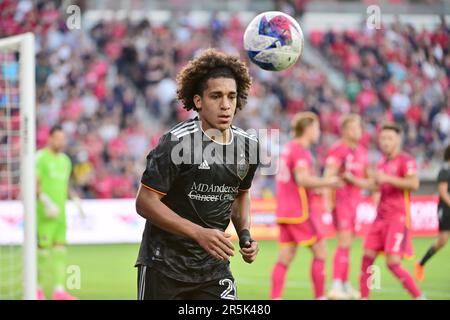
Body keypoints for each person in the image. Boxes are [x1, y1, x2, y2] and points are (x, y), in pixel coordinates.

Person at [135, 49, 260, 300]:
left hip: (214, 268)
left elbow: (239, 196)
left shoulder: (249, 147)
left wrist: (245, 235)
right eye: (216, 96)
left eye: (231, 96)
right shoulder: (176, 143)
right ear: (198, 101)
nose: (226, 105)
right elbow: (145, 202)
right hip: (164, 266)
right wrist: (198, 233)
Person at [270, 112, 341, 300]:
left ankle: (274, 298)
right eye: (316, 127)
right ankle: (320, 297)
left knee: (285, 257)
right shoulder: (299, 150)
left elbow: (295, 181)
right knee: (321, 250)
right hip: (299, 211)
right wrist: (328, 183)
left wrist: (315, 188)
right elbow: (302, 180)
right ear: (308, 129)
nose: (318, 132)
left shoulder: (288, 148)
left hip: (284, 211)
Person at [359, 123, 424, 300]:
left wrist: (387, 178)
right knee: (366, 258)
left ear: (398, 140)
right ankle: (364, 297)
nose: (385, 142)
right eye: (383, 138)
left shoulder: (406, 160)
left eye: (389, 138)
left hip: (398, 218)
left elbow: (414, 184)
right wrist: (352, 180)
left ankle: (419, 296)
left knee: (393, 263)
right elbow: (374, 185)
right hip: (379, 218)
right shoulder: (381, 163)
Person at [324, 114, 371, 299]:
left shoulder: (362, 151)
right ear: (344, 130)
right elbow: (329, 175)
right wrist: (328, 201)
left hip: (355, 204)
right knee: (343, 242)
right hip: (341, 202)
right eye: (354, 127)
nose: (358, 131)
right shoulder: (338, 150)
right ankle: (336, 286)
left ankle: (344, 284)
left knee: (349, 244)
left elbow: (367, 179)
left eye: (359, 127)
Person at [36, 125, 84, 300]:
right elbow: (34, 184)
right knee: (41, 252)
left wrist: (75, 199)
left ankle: (58, 291)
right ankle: (37, 290)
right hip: (43, 213)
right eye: (57, 138)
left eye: (63, 139)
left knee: (59, 251)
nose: (61, 142)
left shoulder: (65, 160)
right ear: (49, 138)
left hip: (60, 214)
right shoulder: (40, 158)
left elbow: (65, 185)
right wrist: (46, 203)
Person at [415, 144, 450, 281]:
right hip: (445, 210)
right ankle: (420, 263)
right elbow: (443, 192)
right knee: (442, 241)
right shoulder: (444, 171)